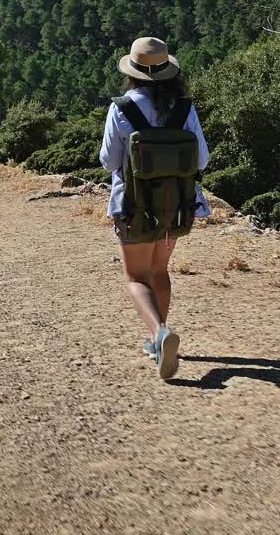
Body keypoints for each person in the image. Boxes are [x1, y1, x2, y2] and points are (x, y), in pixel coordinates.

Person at [99, 37, 210, 380]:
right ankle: (155, 340)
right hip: (175, 206)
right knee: (159, 270)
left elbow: (109, 162)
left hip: (133, 206)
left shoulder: (122, 108)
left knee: (135, 276)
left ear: (132, 74)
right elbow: (201, 158)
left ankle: (160, 333)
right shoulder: (183, 108)